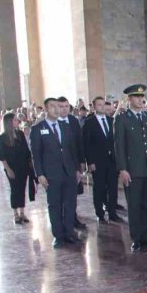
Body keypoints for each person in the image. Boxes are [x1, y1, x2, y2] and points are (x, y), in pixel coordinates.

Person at [114, 84, 147, 253]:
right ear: (129, 99)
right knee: (134, 205)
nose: (141, 99)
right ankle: (137, 239)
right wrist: (123, 169)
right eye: (136, 97)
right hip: (132, 169)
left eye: (142, 97)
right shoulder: (122, 119)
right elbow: (119, 146)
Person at [30, 97, 81, 248]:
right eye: (52, 106)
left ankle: (70, 232)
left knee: (70, 204)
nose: (57, 109)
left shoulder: (65, 127)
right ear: (46, 109)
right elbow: (36, 154)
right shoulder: (38, 129)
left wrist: (77, 169)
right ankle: (58, 235)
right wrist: (40, 174)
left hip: (69, 172)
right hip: (51, 173)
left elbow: (72, 150)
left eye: (58, 106)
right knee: (55, 205)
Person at [82, 97, 121, 223]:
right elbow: (86, 144)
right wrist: (90, 162)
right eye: (99, 105)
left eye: (103, 105)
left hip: (112, 160)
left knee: (113, 186)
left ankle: (112, 212)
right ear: (94, 107)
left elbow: (116, 141)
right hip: (97, 161)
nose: (102, 107)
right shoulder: (89, 122)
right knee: (99, 188)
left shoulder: (111, 120)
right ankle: (100, 213)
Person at [56, 96, 87, 229]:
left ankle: (73, 218)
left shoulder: (73, 121)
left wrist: (81, 161)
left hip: (73, 163)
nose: (64, 109)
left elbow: (80, 142)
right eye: (61, 107)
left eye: (66, 107)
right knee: (61, 196)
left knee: (73, 194)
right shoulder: (54, 122)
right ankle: (63, 221)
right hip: (58, 165)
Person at [0, 112, 32, 225]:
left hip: (23, 166)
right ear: (9, 122)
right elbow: (2, 156)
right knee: (14, 189)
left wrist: (30, 163)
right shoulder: (2, 138)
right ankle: (15, 214)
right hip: (12, 167)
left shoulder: (20, 134)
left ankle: (22, 212)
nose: (18, 121)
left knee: (22, 188)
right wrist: (8, 169)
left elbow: (26, 150)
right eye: (15, 119)